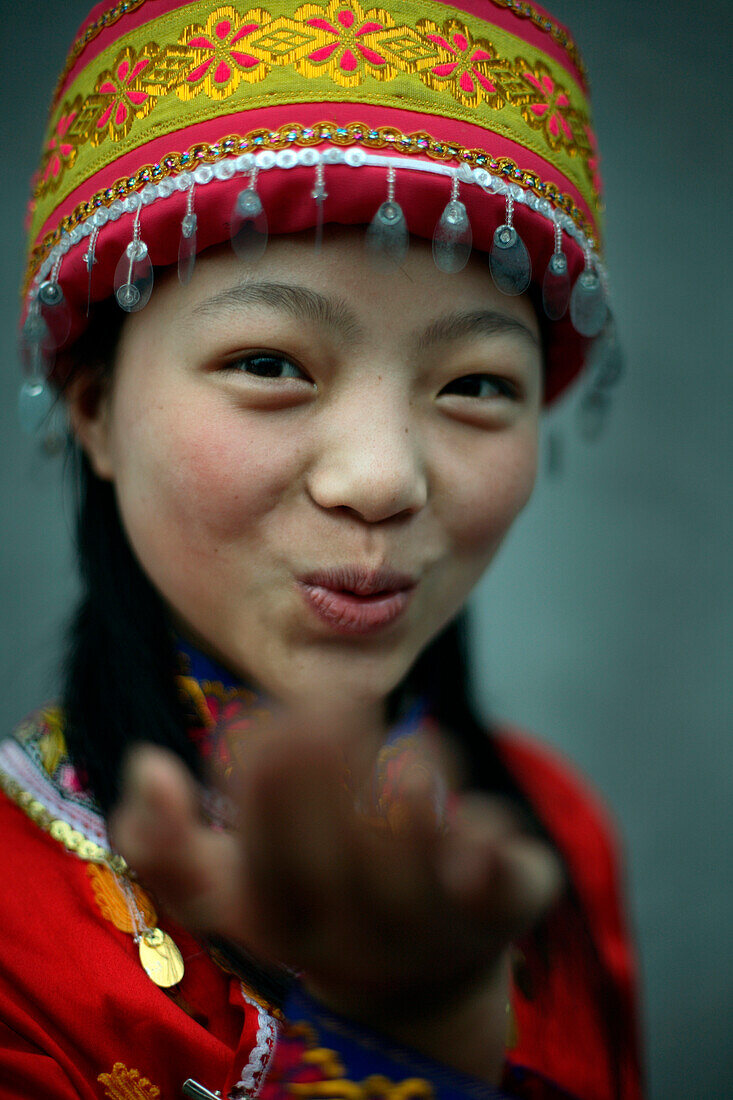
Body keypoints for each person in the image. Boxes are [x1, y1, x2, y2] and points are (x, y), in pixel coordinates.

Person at [1, 1, 642, 1098]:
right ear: (96, 406)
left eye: (476, 384)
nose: (381, 479)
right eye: (269, 361)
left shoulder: (552, 834)